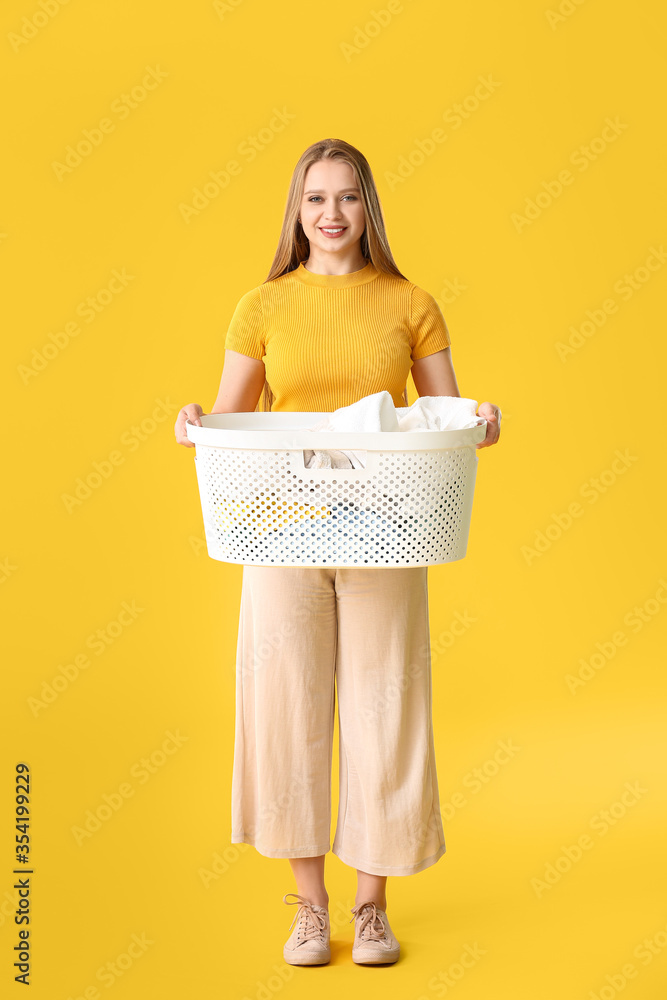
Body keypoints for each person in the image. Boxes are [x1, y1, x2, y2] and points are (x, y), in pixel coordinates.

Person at [174, 138, 501, 967]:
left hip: (387, 528)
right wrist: (193, 426)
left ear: (368, 209)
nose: (330, 214)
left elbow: (443, 415)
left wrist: (482, 423)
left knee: (384, 712)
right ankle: (311, 910)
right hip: (280, 528)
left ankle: (373, 906)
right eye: (315, 198)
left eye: (347, 198)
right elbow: (233, 419)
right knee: (286, 706)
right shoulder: (260, 306)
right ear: (296, 211)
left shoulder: (410, 302)